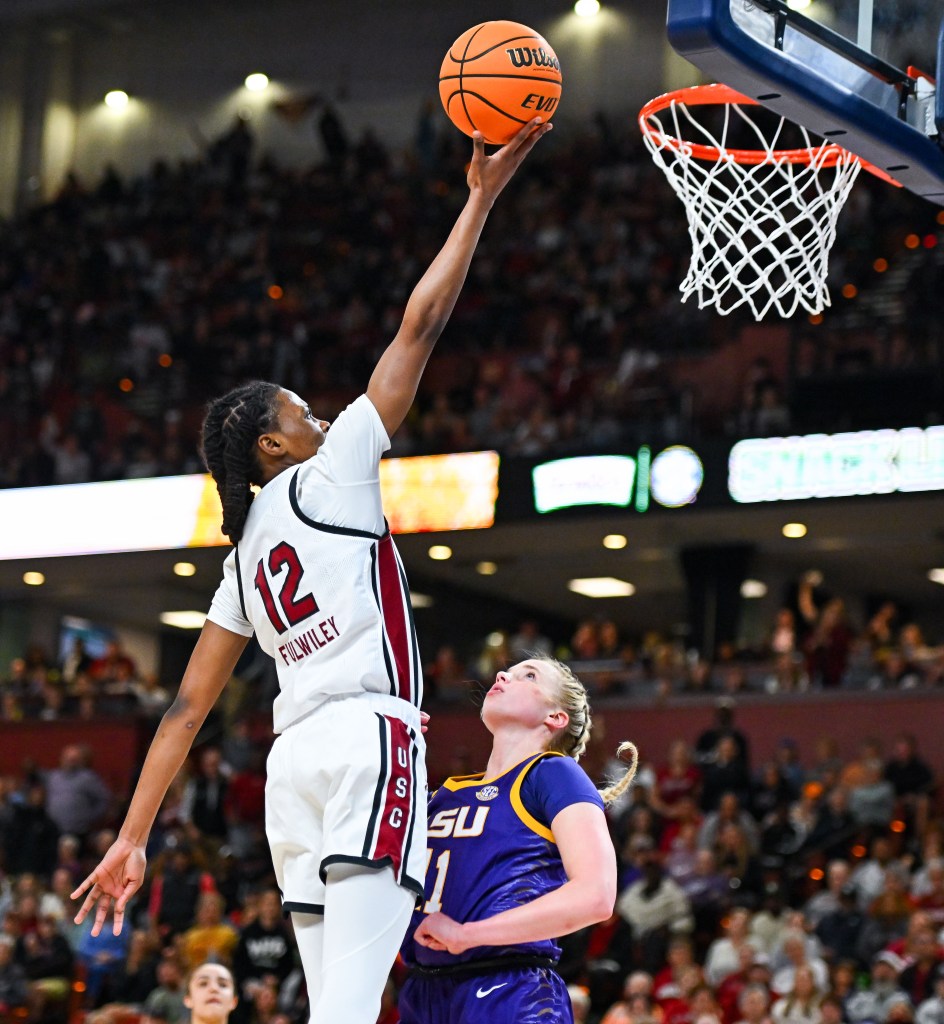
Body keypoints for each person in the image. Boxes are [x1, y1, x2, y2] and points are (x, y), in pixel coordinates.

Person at [71, 117, 553, 1024]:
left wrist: (134, 836)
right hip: (370, 741)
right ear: (271, 445)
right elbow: (423, 322)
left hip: (294, 771)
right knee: (346, 1010)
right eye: (301, 411)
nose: (322, 417)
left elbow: (184, 711)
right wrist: (480, 198)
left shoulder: (243, 554)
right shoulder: (332, 473)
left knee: (339, 1008)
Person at [398, 656, 638, 1024]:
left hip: (510, 989)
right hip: (423, 992)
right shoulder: (443, 795)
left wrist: (468, 934)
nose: (502, 676)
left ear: (555, 718)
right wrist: (394, 750)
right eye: (506, 672)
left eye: (528, 676)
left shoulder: (554, 774)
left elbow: (597, 894)